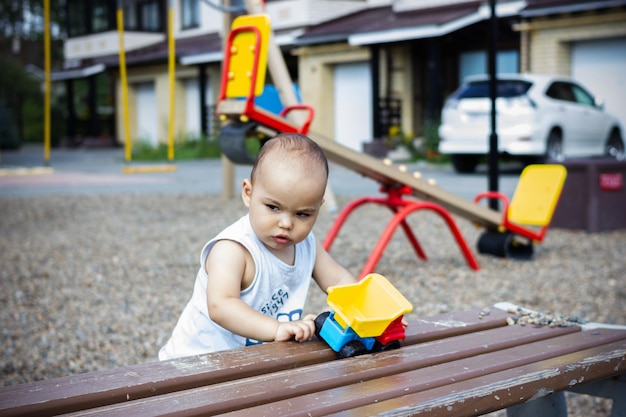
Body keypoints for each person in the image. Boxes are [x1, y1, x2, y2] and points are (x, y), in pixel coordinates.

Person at [159, 133, 357, 360]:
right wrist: (275, 329)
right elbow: (221, 305)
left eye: (302, 214)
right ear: (248, 193)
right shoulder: (233, 249)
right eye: (273, 207)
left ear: (318, 208)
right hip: (195, 364)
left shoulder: (306, 244)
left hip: (247, 363)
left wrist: (366, 308)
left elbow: (339, 281)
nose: (286, 223)